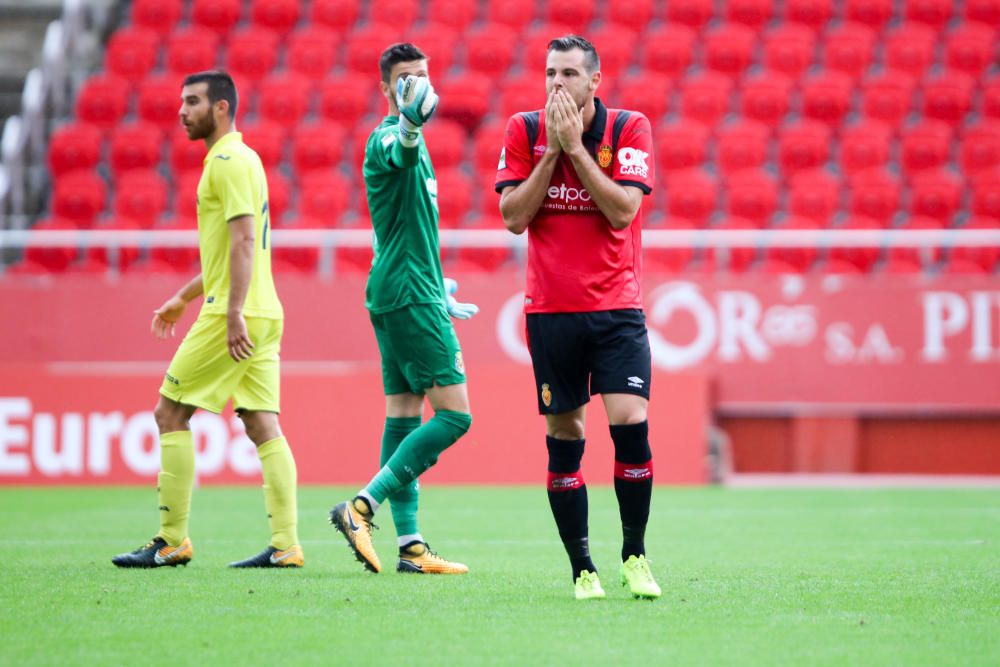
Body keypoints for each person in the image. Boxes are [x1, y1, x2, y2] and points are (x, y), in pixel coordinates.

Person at [112, 71, 301, 569]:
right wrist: (183, 295)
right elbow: (231, 253)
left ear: (221, 108)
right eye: (181, 101)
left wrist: (231, 311)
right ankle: (286, 545)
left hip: (235, 314)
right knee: (262, 423)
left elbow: (242, 241)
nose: (182, 110)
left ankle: (171, 539)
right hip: (264, 310)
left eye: (192, 101)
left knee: (169, 413)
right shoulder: (247, 159)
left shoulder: (224, 161)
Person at [496, 36, 661, 600]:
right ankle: (582, 569)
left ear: (596, 81)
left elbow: (622, 210)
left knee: (629, 423)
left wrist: (577, 149)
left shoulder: (628, 128)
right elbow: (513, 218)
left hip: (617, 308)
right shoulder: (523, 131)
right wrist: (552, 153)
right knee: (565, 437)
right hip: (552, 313)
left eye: (568, 73)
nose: (556, 84)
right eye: (548, 73)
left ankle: (635, 555)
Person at [328, 43, 477, 575]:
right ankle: (362, 507)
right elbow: (399, 149)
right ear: (387, 89)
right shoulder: (388, 136)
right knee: (457, 416)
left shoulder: (418, 140)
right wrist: (410, 124)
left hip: (403, 289)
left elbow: (406, 226)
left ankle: (410, 546)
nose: (416, 87)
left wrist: (440, 286)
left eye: (423, 78)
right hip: (407, 294)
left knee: (403, 413)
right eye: (406, 81)